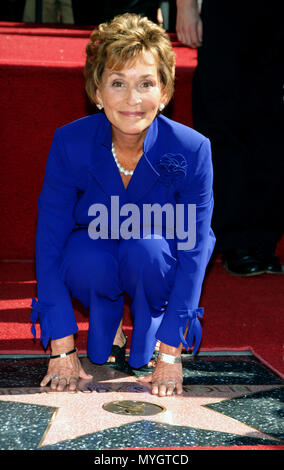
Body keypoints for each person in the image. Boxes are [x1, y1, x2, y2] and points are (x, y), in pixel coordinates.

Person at [30, 13, 216, 396]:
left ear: (165, 93)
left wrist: (170, 354)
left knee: (146, 250)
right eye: (117, 83)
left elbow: (194, 249)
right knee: (84, 255)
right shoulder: (70, 143)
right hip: (96, 247)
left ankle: (150, 318)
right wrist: (61, 346)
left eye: (146, 83)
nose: (133, 99)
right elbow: (49, 242)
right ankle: (107, 315)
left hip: (158, 256)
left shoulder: (192, 149)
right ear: (97, 93)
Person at [176, 0, 283, 276]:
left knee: (270, 119)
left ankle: (262, 239)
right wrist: (185, 6)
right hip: (227, 12)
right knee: (222, 113)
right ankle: (233, 237)